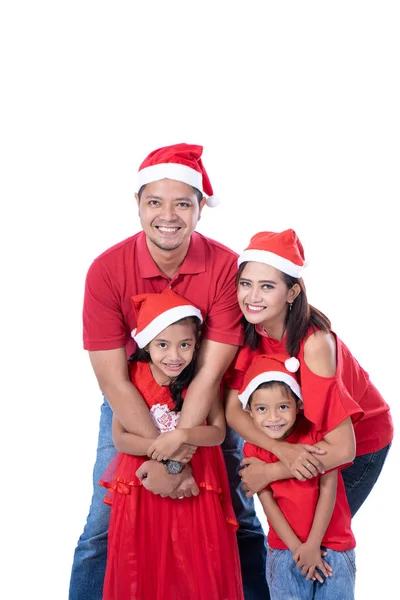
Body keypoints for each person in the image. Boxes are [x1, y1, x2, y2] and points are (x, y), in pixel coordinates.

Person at [69, 143, 268, 600]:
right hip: (134, 406)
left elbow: (208, 374)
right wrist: (169, 463)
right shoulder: (106, 270)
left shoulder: (223, 267)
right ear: (137, 205)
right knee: (103, 523)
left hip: (207, 407)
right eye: (154, 202)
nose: (168, 215)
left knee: (237, 514)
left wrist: (180, 455)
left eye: (182, 202)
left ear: (200, 208)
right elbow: (113, 381)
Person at [225, 229, 393, 516]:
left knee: (321, 541)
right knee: (293, 533)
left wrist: (270, 472)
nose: (252, 296)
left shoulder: (315, 345)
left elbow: (342, 448)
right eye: (245, 284)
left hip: (358, 443)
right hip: (303, 442)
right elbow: (233, 411)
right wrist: (283, 452)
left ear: (292, 292)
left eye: (267, 287)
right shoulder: (251, 329)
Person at [99, 288, 244, 599]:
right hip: (140, 481)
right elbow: (120, 438)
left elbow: (217, 432)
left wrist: (181, 436)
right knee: (143, 557)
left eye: (185, 345)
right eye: (162, 345)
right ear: (147, 344)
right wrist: (162, 455)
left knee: (193, 558)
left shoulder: (202, 379)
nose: (174, 356)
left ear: (197, 345)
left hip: (199, 481)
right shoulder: (131, 376)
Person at [238, 353, 358, 599]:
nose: (273, 418)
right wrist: (297, 549)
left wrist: (313, 545)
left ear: (298, 404)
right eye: (262, 409)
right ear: (249, 411)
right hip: (285, 551)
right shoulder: (254, 449)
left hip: (332, 545)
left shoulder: (316, 436)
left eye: (283, 407)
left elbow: (328, 490)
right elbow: (267, 503)